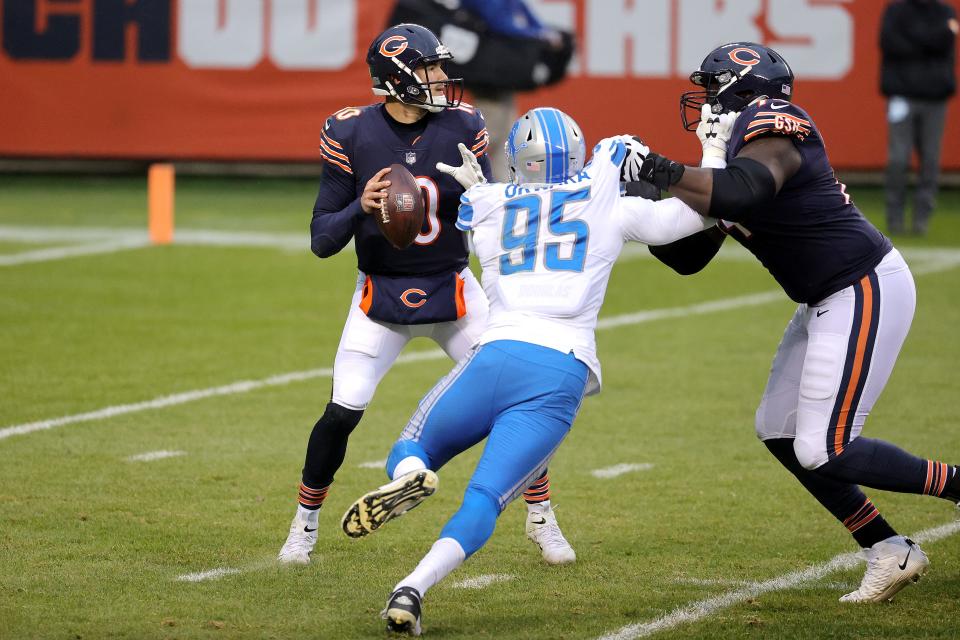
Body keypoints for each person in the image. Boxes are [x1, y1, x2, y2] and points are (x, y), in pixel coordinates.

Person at [342, 107, 715, 635]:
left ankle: (410, 479)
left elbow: (477, 209)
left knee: (410, 448)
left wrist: (477, 193)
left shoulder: (490, 205)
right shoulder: (605, 196)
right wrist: (714, 159)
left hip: (496, 353)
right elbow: (688, 219)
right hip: (558, 369)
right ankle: (412, 587)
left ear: (518, 163)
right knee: (485, 499)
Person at [637, 42, 960, 603]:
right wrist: (658, 189)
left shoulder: (775, 124)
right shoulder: (731, 155)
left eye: (712, 87)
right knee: (780, 430)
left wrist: (667, 170)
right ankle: (887, 547)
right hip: (823, 296)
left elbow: (748, 189)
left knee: (826, 448)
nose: (705, 101)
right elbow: (686, 260)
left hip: (862, 283)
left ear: (742, 87)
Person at [278, 23, 576, 566]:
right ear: (397, 80)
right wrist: (360, 207)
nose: (441, 78)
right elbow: (323, 240)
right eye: (429, 69)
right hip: (380, 296)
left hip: (453, 291)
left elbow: (486, 209)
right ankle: (304, 523)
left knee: (520, 400)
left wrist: (487, 196)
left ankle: (541, 516)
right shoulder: (350, 132)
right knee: (344, 410)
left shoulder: (463, 123)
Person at [880, 0, 957, 236]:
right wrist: (929, 39)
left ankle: (921, 219)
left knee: (930, 162)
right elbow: (890, 44)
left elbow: (946, 40)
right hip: (902, 94)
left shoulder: (946, 11)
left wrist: (914, 38)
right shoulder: (895, 11)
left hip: (935, 98)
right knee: (898, 160)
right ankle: (895, 218)